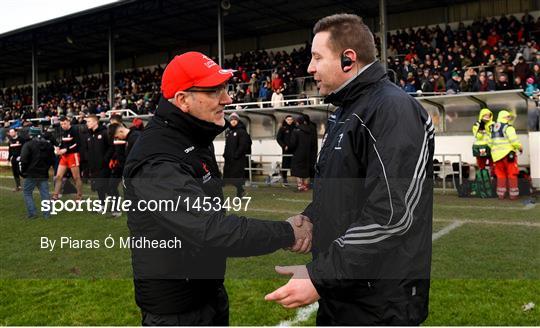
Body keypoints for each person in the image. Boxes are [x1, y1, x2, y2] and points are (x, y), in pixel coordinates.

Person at [265, 14, 434, 325]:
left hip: (379, 302)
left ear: (348, 60)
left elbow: (391, 215)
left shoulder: (391, 110)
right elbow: (344, 193)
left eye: (316, 57)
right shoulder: (345, 111)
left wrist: (320, 276)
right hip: (344, 292)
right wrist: (311, 220)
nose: (309, 68)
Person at [122, 51, 313, 326]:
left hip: (207, 294)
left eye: (225, 88)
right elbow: (209, 228)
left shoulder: (195, 135)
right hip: (177, 310)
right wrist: (286, 232)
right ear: (182, 100)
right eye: (214, 91)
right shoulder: (157, 159)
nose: (227, 98)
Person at [19, 127, 55, 219]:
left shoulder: (28, 145)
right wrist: (46, 168)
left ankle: (32, 213)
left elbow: (23, 160)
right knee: (45, 194)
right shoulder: (48, 145)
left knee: (27, 192)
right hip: (43, 173)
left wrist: (23, 172)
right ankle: (47, 214)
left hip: (31, 173)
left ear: (31, 135)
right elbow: (52, 160)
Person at [84, 115, 116, 214]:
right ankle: (101, 206)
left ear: (95, 122)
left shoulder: (105, 133)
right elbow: (87, 150)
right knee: (98, 187)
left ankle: (115, 209)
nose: (87, 123)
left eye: (89, 121)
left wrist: (105, 159)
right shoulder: (88, 135)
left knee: (107, 188)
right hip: (94, 167)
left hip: (104, 166)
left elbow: (112, 147)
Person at [490, 110, 523, 200]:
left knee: (500, 175)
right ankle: (513, 195)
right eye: (508, 117)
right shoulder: (508, 128)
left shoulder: (492, 128)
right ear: (504, 117)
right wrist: (519, 147)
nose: (509, 118)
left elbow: (490, 143)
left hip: (496, 156)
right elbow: (514, 140)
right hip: (508, 155)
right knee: (512, 174)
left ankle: (501, 194)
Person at [52, 116, 83, 200]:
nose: (63, 125)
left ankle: (79, 195)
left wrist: (66, 149)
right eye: (61, 124)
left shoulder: (74, 130)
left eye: (64, 123)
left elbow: (77, 143)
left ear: (69, 122)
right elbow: (62, 143)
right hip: (64, 157)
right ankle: (55, 195)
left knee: (76, 177)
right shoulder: (63, 131)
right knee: (58, 176)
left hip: (73, 155)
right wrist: (58, 148)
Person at [223, 112, 252, 197]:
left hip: (237, 159)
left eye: (235, 119)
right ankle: (241, 192)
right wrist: (225, 154)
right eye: (232, 119)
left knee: (237, 177)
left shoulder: (241, 131)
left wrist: (236, 155)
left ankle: (240, 193)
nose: (233, 121)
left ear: (238, 121)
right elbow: (227, 145)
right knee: (231, 178)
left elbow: (243, 145)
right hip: (229, 159)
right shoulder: (229, 131)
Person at [289, 115, 313, 191]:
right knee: (306, 170)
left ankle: (300, 186)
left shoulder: (296, 131)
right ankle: (306, 186)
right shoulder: (309, 131)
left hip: (298, 153)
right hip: (307, 153)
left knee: (297, 170)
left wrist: (290, 148)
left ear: (298, 122)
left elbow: (293, 144)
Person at [276, 115, 295, 185]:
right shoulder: (282, 128)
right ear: (285, 120)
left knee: (294, 163)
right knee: (285, 164)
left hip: (294, 150)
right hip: (286, 150)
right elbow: (278, 138)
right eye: (288, 120)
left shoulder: (295, 128)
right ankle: (284, 178)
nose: (290, 121)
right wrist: (284, 146)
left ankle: (296, 178)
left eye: (291, 119)